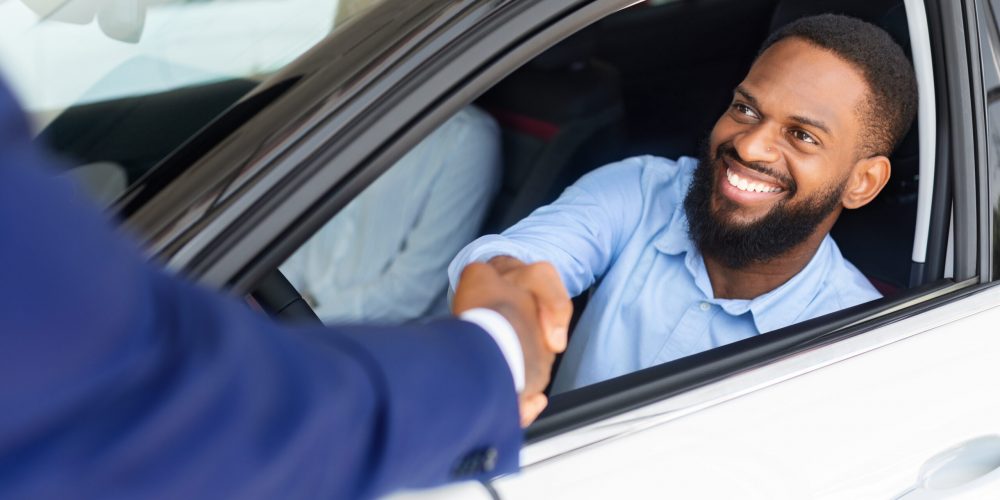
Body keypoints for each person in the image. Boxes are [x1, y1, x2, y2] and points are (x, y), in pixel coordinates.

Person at [0, 78, 571, 498]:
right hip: (288, 328)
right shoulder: (338, 109)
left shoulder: (464, 142)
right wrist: (496, 345)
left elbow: (410, 285)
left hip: (330, 333)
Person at [449, 14, 918, 393]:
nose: (751, 147)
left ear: (863, 182)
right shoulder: (640, 189)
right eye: (746, 109)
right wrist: (507, 306)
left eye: (801, 135)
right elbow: (521, 257)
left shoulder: (857, 349)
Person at [280, 106, 501, 323]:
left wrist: (304, 324)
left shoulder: (466, 137)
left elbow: (414, 289)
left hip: (380, 334)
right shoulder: (351, 113)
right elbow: (305, 239)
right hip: (299, 310)